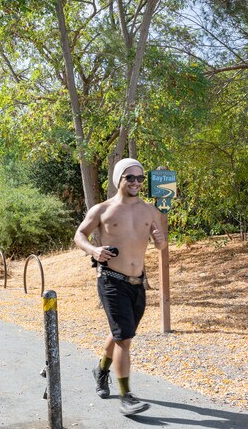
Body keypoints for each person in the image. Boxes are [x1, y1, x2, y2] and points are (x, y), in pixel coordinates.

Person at [74, 158, 167, 416]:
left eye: (140, 178)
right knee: (125, 338)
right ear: (119, 180)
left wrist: (160, 240)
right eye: (130, 178)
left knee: (119, 333)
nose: (136, 182)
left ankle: (101, 369)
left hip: (138, 283)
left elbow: (160, 244)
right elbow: (79, 234)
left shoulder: (150, 211)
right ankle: (127, 396)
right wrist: (94, 250)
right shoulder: (102, 210)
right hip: (111, 280)